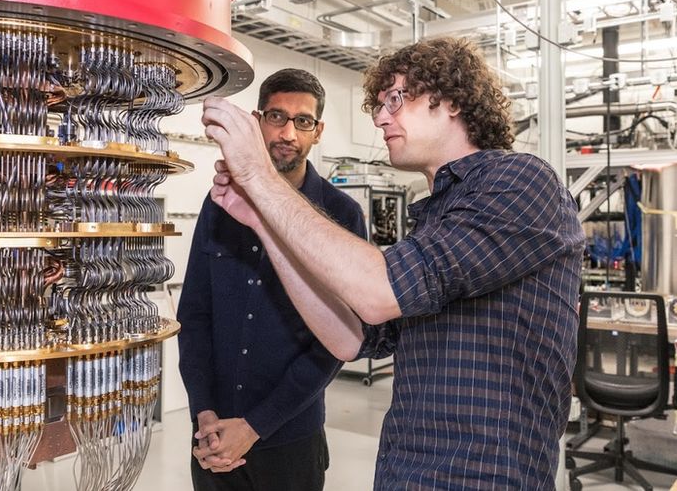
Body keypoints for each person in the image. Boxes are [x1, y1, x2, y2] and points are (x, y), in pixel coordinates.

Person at [199, 37, 585, 490]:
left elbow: (380, 293)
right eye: (379, 105)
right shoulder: (435, 218)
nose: (381, 117)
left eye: (396, 99)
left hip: (484, 479)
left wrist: (259, 176)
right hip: (405, 473)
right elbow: (353, 338)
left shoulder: (522, 182)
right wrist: (261, 222)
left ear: (452, 101)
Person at [177, 68, 366, 491]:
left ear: (317, 132)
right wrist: (203, 410)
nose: (287, 133)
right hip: (212, 435)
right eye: (276, 117)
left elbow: (336, 343)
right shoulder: (220, 205)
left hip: (289, 439)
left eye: (302, 122)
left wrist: (256, 425)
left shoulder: (343, 215)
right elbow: (194, 314)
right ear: (257, 120)